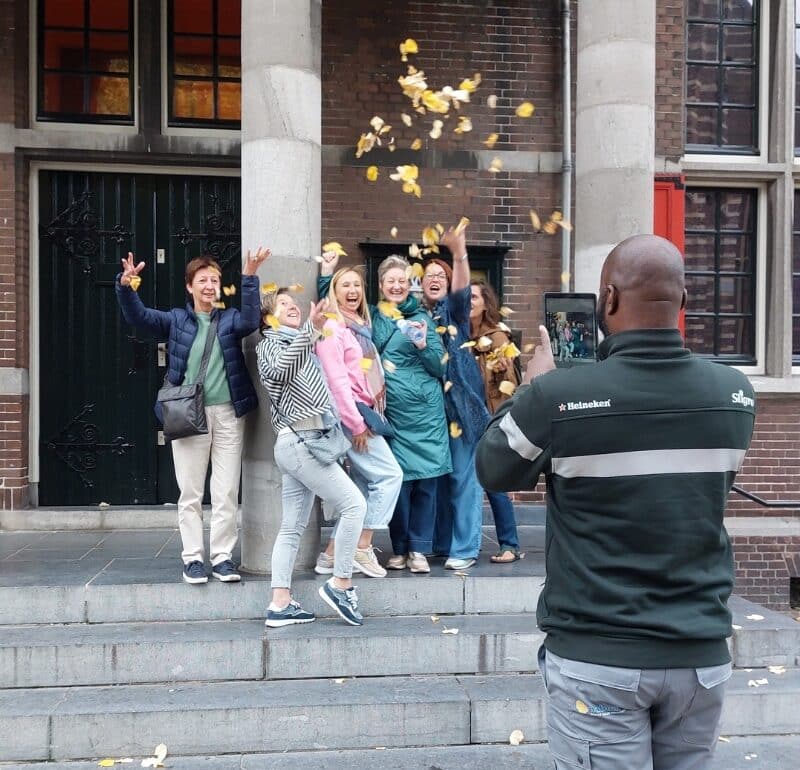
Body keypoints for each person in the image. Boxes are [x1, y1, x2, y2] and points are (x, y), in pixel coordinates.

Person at [476, 235, 756, 770]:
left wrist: (531, 389)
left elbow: (494, 467)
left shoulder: (557, 397)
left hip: (598, 656)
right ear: (683, 301)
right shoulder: (735, 395)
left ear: (607, 299)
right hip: (699, 656)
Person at [115, 248, 268, 585]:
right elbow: (140, 318)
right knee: (191, 491)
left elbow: (250, 319)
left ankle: (223, 557)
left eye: (214, 280)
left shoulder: (230, 319)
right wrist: (126, 287)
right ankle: (193, 559)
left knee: (226, 490)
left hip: (229, 414)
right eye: (203, 280)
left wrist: (250, 276)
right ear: (189, 286)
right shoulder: (176, 320)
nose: (210, 286)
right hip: (188, 413)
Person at [320, 252, 451, 574]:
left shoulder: (422, 318)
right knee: (397, 481)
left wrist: (422, 346)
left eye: (402, 281)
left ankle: (418, 549)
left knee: (426, 481)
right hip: (386, 413)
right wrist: (326, 274)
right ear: (380, 285)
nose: (396, 286)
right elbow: (336, 306)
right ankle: (399, 547)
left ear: (410, 285)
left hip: (424, 413)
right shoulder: (372, 317)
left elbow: (439, 367)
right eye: (390, 281)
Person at [256, 290, 367, 627]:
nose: (292, 306)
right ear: (268, 318)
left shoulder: (302, 343)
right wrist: (309, 331)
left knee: (292, 527)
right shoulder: (270, 344)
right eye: (283, 304)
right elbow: (279, 371)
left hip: (305, 443)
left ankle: (280, 603)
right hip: (301, 444)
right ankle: (341, 584)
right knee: (355, 506)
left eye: (294, 303)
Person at [314, 265, 403, 578]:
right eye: (345, 286)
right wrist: (356, 424)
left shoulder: (359, 327)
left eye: (356, 285)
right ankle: (361, 546)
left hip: (364, 411)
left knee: (364, 489)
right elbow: (336, 382)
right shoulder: (332, 327)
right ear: (334, 293)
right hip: (352, 415)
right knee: (390, 476)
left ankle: (330, 555)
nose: (352, 291)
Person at [424, 227, 490, 571]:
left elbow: (463, 290)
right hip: (426, 412)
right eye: (428, 275)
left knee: (463, 478)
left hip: (459, 408)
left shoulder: (454, 313)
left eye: (441, 275)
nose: (434, 279)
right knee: (438, 479)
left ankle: (464, 548)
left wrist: (458, 251)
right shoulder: (416, 315)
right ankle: (441, 543)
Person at [469, 280, 520, 563]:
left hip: (489, 418)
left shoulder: (498, 337)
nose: (469, 302)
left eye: (474, 297)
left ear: (485, 303)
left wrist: (501, 371)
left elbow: (510, 385)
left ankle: (510, 544)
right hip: (463, 417)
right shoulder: (459, 333)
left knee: (493, 481)